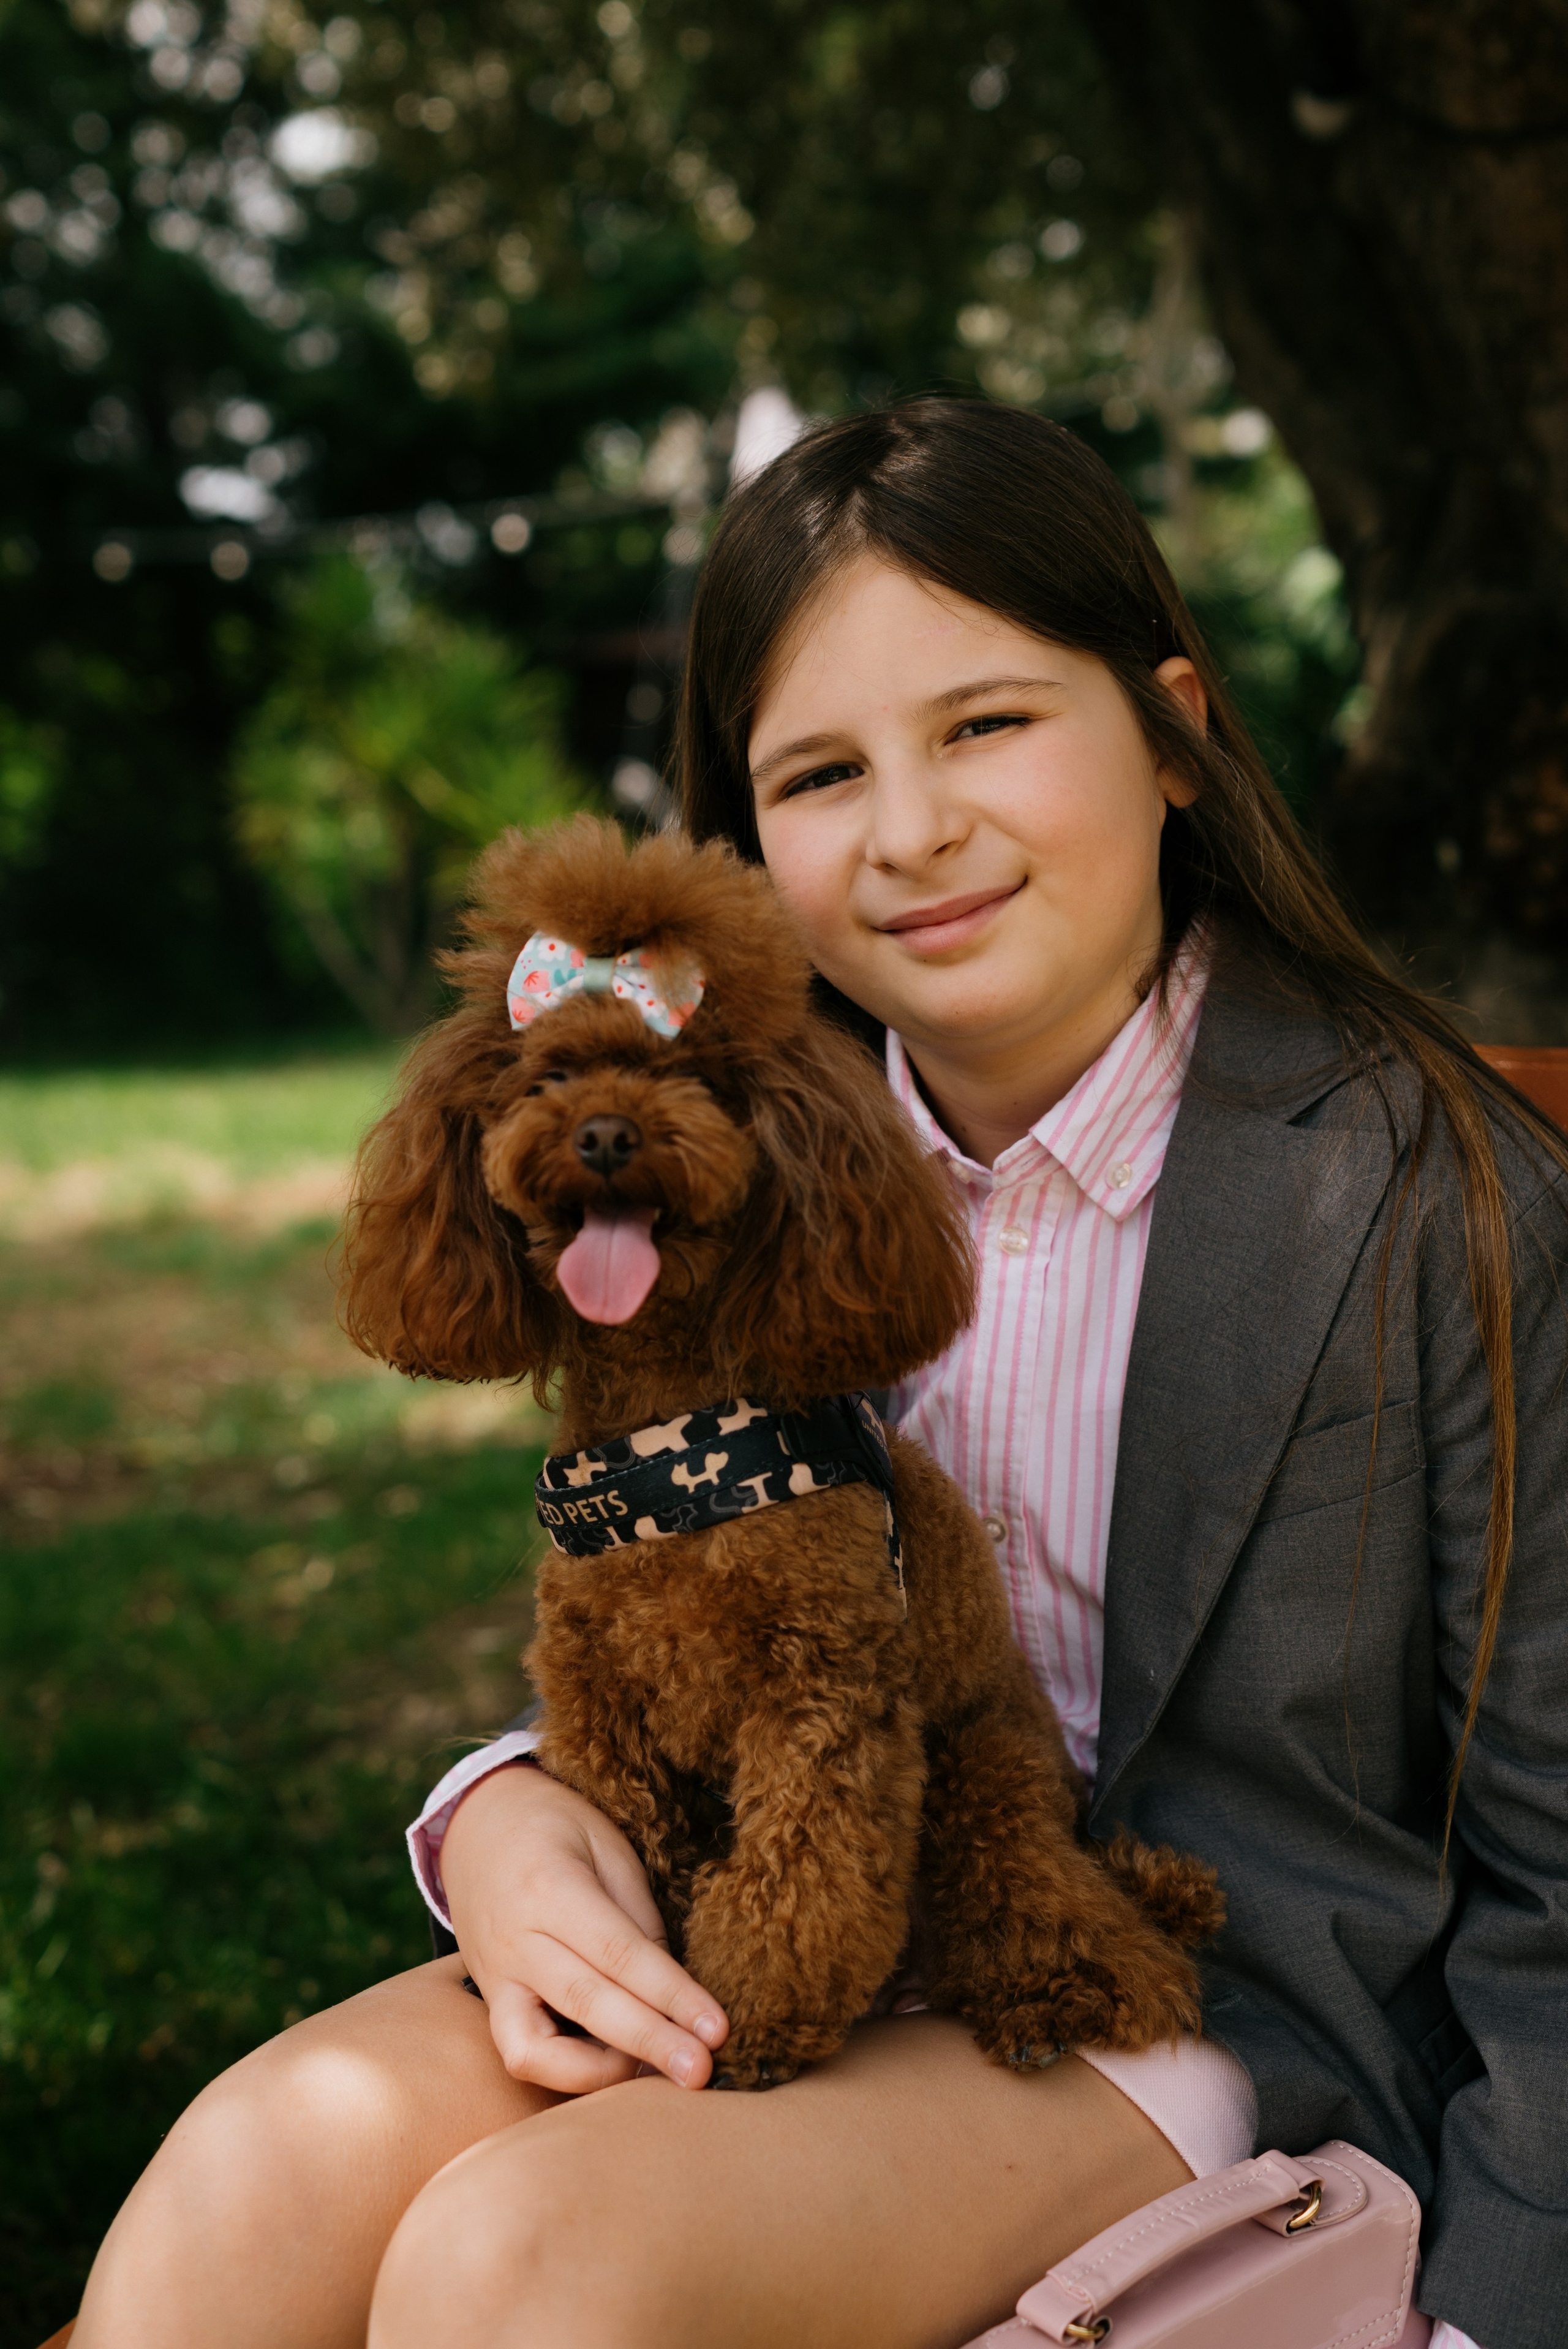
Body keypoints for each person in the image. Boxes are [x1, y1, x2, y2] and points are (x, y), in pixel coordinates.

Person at [72, 400, 1567, 2349]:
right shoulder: (740, 1149)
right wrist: (499, 1811)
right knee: (246, 2177)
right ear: (747, 836)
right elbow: (669, 1589)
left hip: (1199, 1999)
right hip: (774, 1911)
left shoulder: (1432, 1191)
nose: (914, 828)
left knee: (527, 2265)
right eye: (821, 770)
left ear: (1174, 727)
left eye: (989, 724)